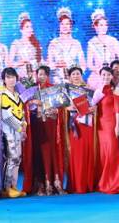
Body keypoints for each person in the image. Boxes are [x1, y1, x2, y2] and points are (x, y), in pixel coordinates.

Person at [28, 65, 67, 195]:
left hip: (51, 123)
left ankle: (55, 182)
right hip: (38, 125)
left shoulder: (54, 89)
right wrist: (34, 102)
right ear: (36, 75)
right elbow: (27, 105)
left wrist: (53, 109)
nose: (42, 76)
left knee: (53, 151)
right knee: (40, 151)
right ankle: (42, 184)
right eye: (40, 74)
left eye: (44, 74)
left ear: (48, 75)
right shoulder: (33, 89)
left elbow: (61, 106)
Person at [92, 67, 119, 194]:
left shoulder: (116, 90)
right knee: (103, 153)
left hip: (111, 124)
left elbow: (118, 109)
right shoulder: (98, 90)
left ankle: (115, 183)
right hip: (100, 125)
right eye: (103, 75)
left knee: (112, 152)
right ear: (100, 76)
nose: (106, 77)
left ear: (112, 76)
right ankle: (103, 182)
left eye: (108, 75)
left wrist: (117, 126)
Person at [65, 67, 96, 194]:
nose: (76, 76)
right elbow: (62, 107)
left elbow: (94, 105)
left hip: (87, 124)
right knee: (76, 154)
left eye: (78, 73)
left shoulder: (89, 90)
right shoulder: (66, 91)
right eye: (73, 74)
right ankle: (77, 184)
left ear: (82, 75)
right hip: (75, 125)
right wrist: (68, 108)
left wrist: (94, 108)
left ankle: (88, 184)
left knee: (87, 152)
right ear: (70, 76)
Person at [0, 67, 28, 198]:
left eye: (13, 77)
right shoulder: (2, 95)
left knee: (17, 159)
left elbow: (21, 113)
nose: (11, 80)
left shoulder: (17, 95)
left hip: (18, 131)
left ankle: (14, 186)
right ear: (4, 80)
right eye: (8, 77)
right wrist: (20, 128)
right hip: (8, 132)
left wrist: (24, 125)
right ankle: (7, 188)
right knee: (11, 158)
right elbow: (6, 116)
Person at [86, 9, 119, 88]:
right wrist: (99, 71)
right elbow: (89, 64)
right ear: (95, 26)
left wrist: (115, 69)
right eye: (101, 25)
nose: (104, 27)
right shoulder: (91, 43)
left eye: (105, 25)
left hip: (113, 72)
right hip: (98, 74)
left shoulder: (113, 40)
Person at [47, 7, 85, 83]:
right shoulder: (53, 43)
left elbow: (83, 65)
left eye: (67, 24)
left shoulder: (76, 43)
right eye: (62, 24)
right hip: (56, 81)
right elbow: (48, 65)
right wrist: (56, 64)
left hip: (74, 80)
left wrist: (75, 73)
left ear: (71, 26)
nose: (65, 26)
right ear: (59, 25)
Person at [9, 12, 43, 84]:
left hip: (35, 78)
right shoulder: (16, 43)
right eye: (27, 27)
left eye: (31, 27)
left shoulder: (35, 44)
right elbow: (9, 64)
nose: (30, 29)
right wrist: (20, 63)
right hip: (21, 79)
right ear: (21, 30)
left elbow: (41, 62)